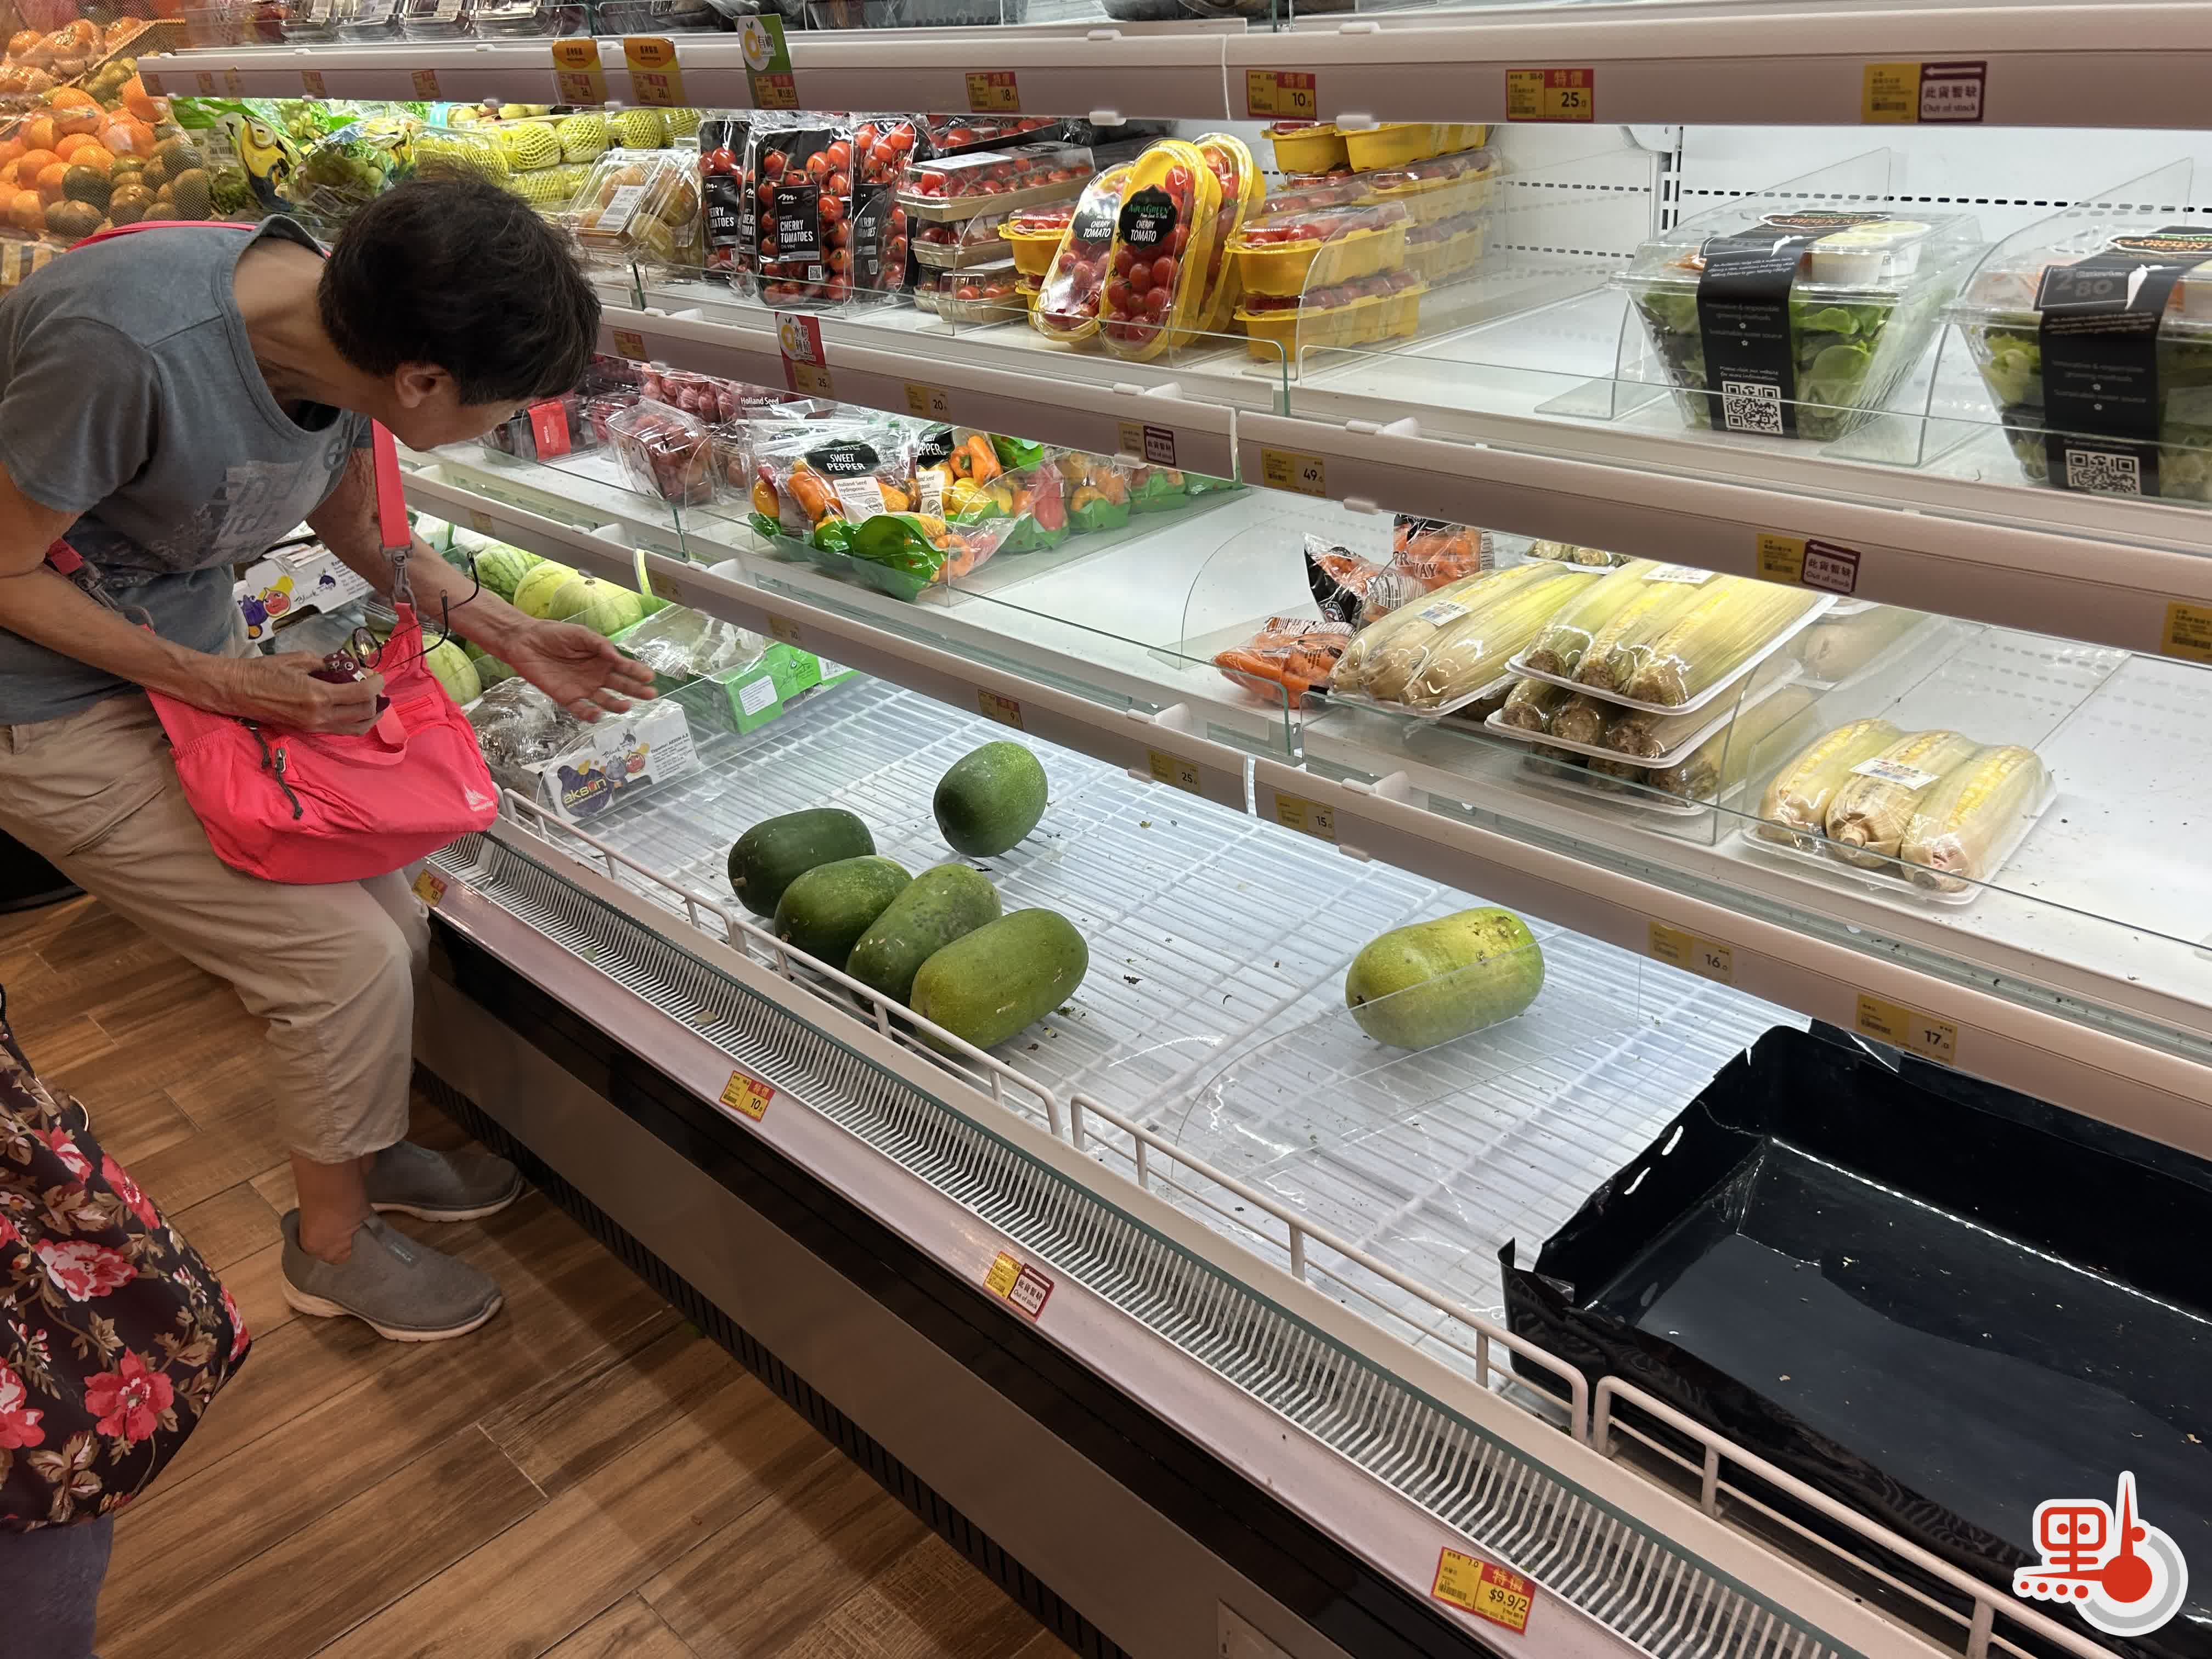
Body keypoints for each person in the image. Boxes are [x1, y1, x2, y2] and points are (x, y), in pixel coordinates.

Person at [0, 172, 654, 1342]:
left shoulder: (346, 328)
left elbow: (358, 527)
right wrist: (227, 681)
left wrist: (503, 628)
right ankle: (330, 1249)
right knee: (337, 959)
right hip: (40, 701)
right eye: (498, 410)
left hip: (183, 673)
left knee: (391, 916)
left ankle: (367, 1149)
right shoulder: (132, 347)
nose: (500, 431)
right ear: (423, 381)